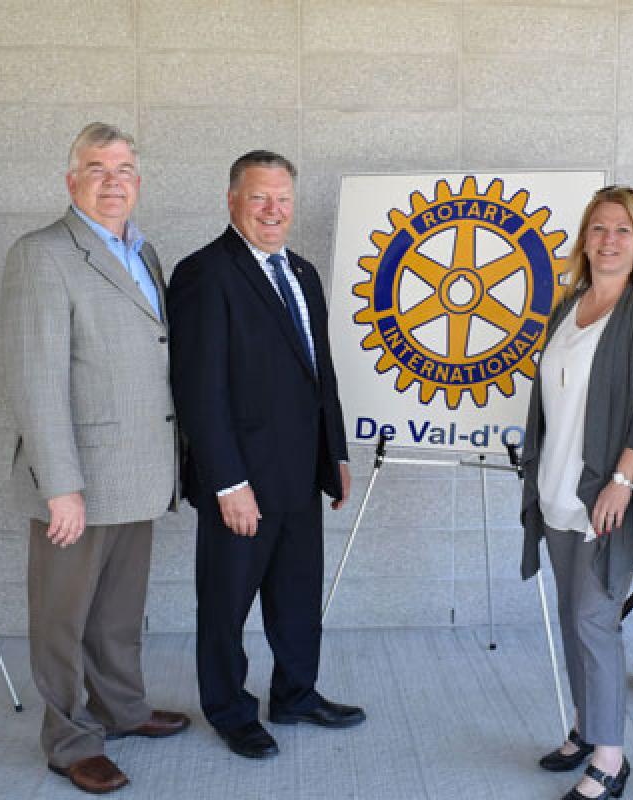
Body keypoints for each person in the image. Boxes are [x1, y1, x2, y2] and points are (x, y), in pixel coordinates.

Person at [1, 122, 190, 794]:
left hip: (137, 471)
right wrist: (61, 486)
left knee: (117, 612)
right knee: (63, 616)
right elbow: (35, 379)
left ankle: (122, 710)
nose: (114, 181)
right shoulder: (43, 254)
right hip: (77, 478)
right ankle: (70, 738)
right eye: (97, 167)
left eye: (125, 168)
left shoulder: (145, 252)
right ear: (70, 180)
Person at [168, 150, 363, 760]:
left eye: (282, 198)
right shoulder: (204, 273)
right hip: (243, 481)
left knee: (298, 597)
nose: (273, 210)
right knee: (226, 604)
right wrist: (227, 482)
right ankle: (229, 709)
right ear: (232, 201)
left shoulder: (302, 272)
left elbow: (319, 372)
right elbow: (198, 389)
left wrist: (337, 453)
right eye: (259, 198)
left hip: (302, 472)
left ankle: (296, 694)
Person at [520, 186, 633, 800]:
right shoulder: (569, 306)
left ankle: (610, 760)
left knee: (595, 621)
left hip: (607, 496)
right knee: (572, 615)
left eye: (622, 230)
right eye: (598, 229)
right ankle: (588, 728)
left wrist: (622, 482)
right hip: (555, 487)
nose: (609, 240)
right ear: (583, 239)